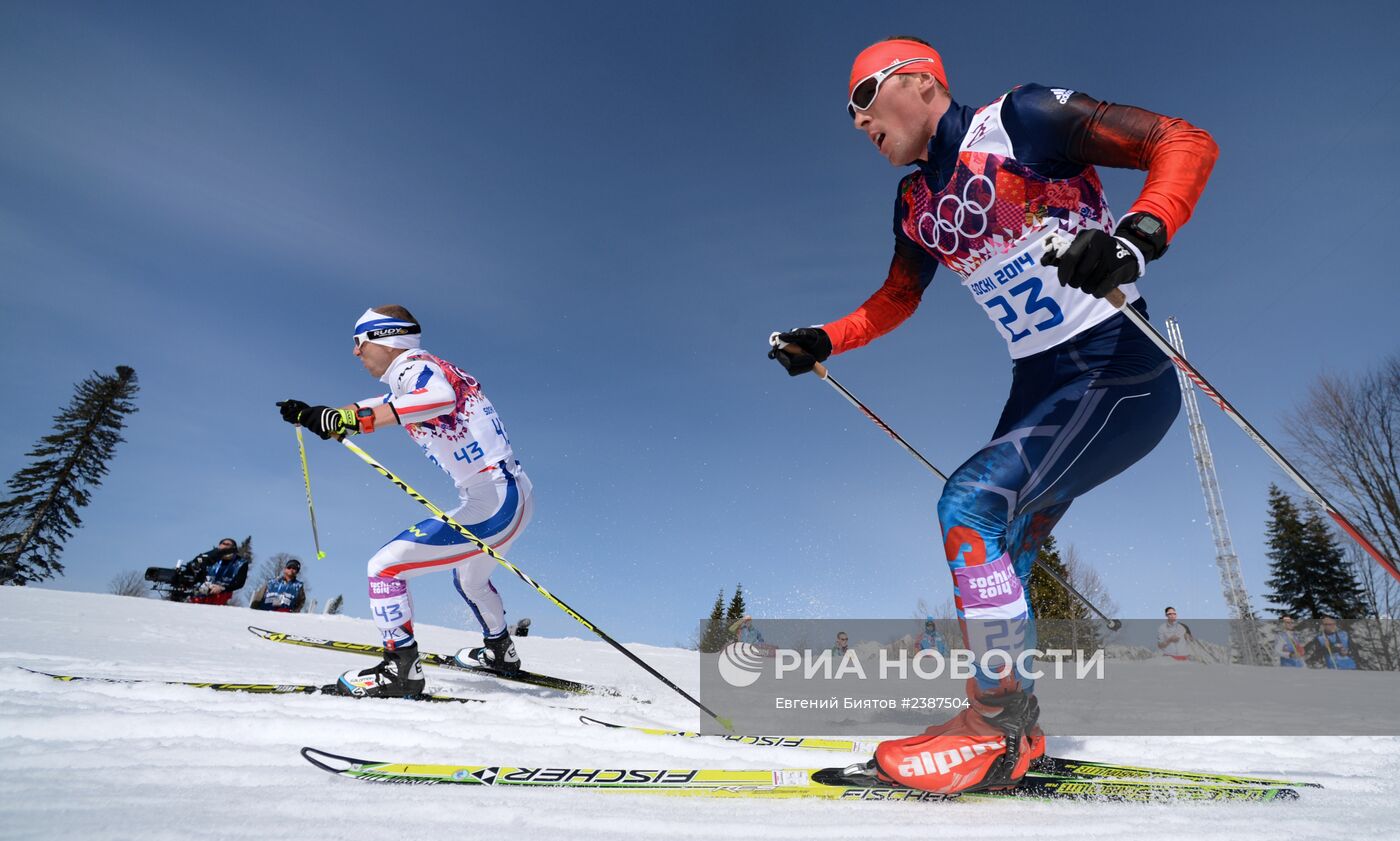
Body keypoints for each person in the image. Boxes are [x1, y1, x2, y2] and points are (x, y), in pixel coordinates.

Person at [768, 36, 1216, 794]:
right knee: (996, 539)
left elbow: (1182, 140)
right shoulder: (915, 202)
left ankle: (998, 725)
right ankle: (1009, 719)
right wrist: (826, 339)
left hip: (1116, 369)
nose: (855, 122)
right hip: (1039, 386)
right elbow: (898, 298)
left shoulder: (1022, 121)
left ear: (917, 80)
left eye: (863, 99)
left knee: (969, 503)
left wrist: (1137, 237)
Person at [276, 305, 533, 697]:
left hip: (494, 500)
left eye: (359, 342)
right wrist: (319, 415)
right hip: (509, 493)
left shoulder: (414, 366)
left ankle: (401, 671)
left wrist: (351, 421)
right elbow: (373, 406)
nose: (355, 352)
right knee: (470, 579)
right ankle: (501, 652)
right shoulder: (411, 377)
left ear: (384, 338)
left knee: (384, 568)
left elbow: (438, 398)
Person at [187, 538, 249, 606]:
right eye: (223, 544)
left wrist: (222, 588)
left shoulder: (241, 563)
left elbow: (239, 583)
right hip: (203, 588)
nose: (224, 546)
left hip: (223, 592)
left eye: (227, 544)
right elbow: (195, 567)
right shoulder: (210, 557)